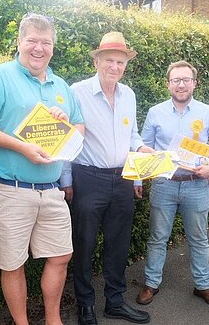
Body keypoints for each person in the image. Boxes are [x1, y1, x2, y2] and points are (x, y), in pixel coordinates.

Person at [0, 13, 84, 325]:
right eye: (32, 40)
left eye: (46, 42)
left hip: (51, 189)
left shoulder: (61, 85)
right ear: (18, 43)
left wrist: (65, 127)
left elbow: (79, 126)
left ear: (53, 48)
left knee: (61, 256)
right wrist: (21, 146)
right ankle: (22, 323)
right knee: (12, 263)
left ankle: (53, 319)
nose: (38, 48)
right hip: (9, 188)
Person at [60, 31, 152, 325]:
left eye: (120, 62)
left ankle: (115, 301)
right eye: (109, 60)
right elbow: (67, 137)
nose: (115, 66)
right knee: (84, 245)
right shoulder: (77, 91)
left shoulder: (130, 95)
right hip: (88, 179)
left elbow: (133, 135)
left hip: (123, 179)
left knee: (119, 244)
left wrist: (140, 153)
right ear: (97, 61)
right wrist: (66, 181)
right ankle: (85, 305)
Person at [135, 61, 209, 308]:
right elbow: (143, 147)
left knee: (198, 238)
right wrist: (137, 177)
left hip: (196, 185)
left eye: (186, 79)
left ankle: (203, 286)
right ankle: (151, 283)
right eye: (176, 80)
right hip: (164, 183)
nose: (181, 84)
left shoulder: (208, 113)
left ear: (195, 83)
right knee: (157, 236)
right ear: (168, 84)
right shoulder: (155, 112)